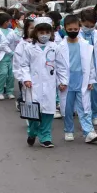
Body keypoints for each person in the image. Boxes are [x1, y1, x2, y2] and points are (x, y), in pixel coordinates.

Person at [57, 14, 97, 144]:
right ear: (65, 29)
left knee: (84, 107)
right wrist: (60, 82)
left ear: (79, 28)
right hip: (67, 81)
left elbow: (90, 65)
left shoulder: (85, 45)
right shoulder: (59, 47)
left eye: (75, 29)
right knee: (67, 108)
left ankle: (88, 132)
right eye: (70, 29)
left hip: (82, 79)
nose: (73, 32)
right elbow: (58, 67)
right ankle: (69, 130)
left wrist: (91, 80)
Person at [19, 18, 60, 148]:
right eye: (41, 32)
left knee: (48, 112)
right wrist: (26, 78)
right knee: (33, 113)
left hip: (49, 84)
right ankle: (32, 132)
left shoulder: (55, 47)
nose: (44, 35)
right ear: (35, 33)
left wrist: (63, 81)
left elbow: (61, 66)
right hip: (33, 85)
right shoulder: (29, 48)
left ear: (51, 33)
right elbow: (24, 65)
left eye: (47, 32)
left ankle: (45, 137)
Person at [14, 13, 37, 111]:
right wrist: (22, 78)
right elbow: (18, 63)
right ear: (26, 29)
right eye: (31, 28)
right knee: (28, 100)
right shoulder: (22, 45)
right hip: (26, 78)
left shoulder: (43, 44)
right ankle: (31, 123)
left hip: (40, 77)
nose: (34, 31)